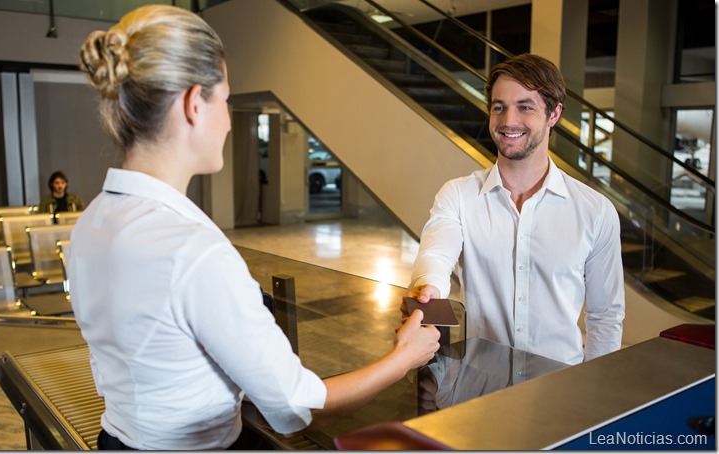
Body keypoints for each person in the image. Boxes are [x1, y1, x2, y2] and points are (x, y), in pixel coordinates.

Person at [71, 5, 440, 450]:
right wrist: (404, 358)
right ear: (193, 105)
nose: (227, 120)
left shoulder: (92, 221)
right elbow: (294, 406)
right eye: (224, 100)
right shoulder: (194, 251)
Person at [406, 53, 625, 366]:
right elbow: (437, 256)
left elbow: (606, 315)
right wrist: (429, 285)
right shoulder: (458, 195)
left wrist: (594, 389)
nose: (509, 121)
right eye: (499, 107)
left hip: (560, 384)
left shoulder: (595, 211)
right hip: (481, 386)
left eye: (525, 107)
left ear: (554, 114)